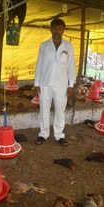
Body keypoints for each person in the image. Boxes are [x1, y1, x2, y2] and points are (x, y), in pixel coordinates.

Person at [34, 18, 76, 146]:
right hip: (45, 84)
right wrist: (36, 83)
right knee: (44, 110)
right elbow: (39, 64)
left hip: (61, 85)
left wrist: (71, 85)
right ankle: (43, 134)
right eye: (55, 28)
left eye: (60, 28)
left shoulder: (68, 46)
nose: (57, 30)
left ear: (63, 30)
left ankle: (59, 135)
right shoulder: (44, 45)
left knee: (60, 111)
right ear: (50, 29)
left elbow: (71, 66)